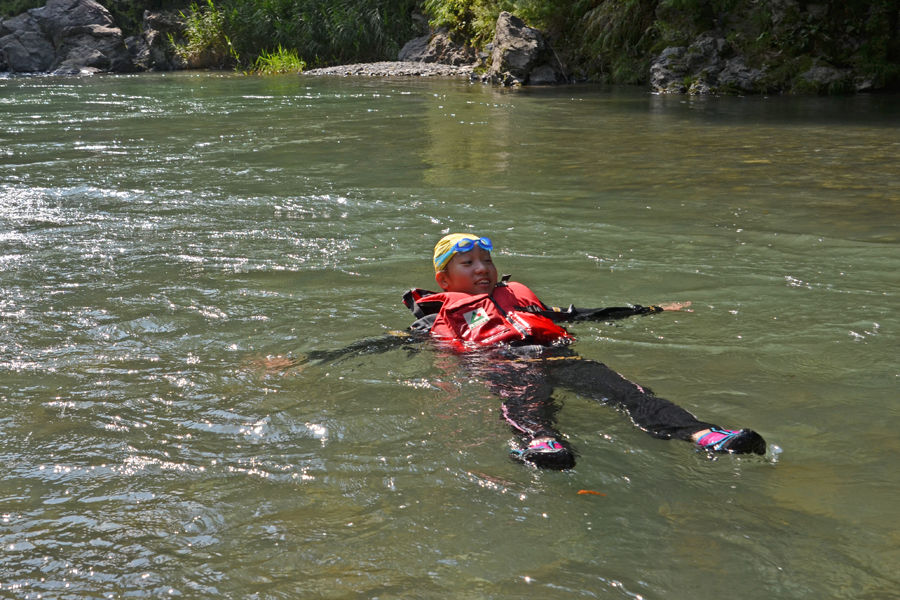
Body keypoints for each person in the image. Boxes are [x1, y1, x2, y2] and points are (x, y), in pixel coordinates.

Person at [402, 233, 766, 470]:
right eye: (468, 263)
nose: (482, 268)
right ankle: (538, 442)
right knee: (525, 403)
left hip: (554, 354)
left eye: (488, 260)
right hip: (502, 363)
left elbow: (578, 315)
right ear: (444, 281)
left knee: (629, 393)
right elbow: (410, 342)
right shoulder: (438, 318)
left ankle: (702, 434)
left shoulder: (516, 299)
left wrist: (650, 309)